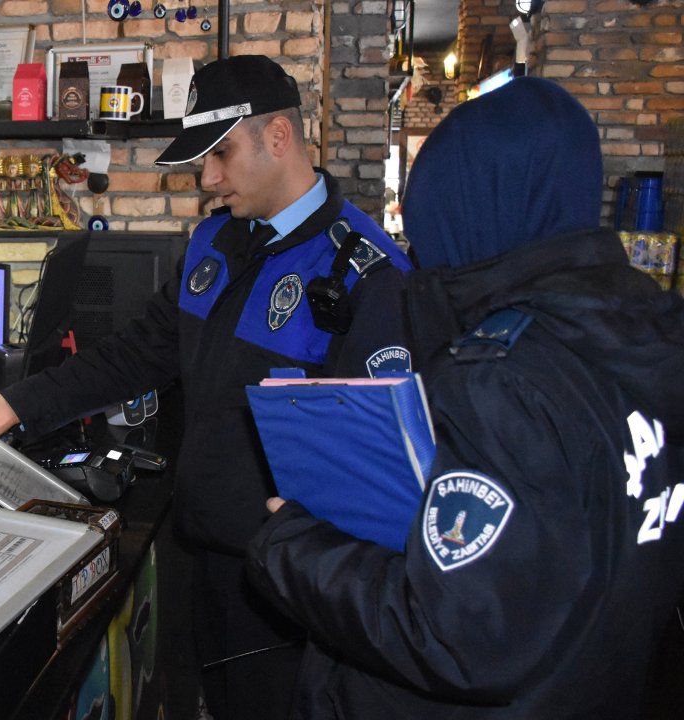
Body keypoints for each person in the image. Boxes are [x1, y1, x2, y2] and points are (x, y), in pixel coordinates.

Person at [0, 55, 414, 720]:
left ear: (278, 138)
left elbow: (383, 467)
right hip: (204, 557)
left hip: (293, 589)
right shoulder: (215, 242)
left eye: (221, 154)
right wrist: (16, 403)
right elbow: (135, 355)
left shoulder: (368, 275)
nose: (210, 178)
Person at [244, 76, 684, 718]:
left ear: (470, 213)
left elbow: (453, 632)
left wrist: (288, 543)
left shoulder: (501, 378)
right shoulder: (654, 330)